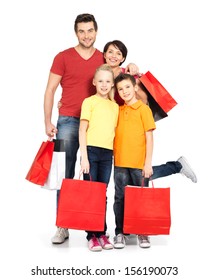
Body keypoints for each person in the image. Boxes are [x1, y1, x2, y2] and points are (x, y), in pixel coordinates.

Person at [44, 14, 139, 245]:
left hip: (97, 127)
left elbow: (121, 76)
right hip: (67, 121)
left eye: (90, 30)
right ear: (76, 33)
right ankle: (62, 225)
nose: (86, 35)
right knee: (64, 176)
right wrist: (48, 121)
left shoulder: (103, 59)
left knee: (97, 180)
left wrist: (133, 67)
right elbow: (50, 90)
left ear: (96, 32)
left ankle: (98, 229)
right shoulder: (62, 57)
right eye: (81, 31)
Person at [113, 73, 156, 249]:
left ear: (135, 87)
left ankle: (142, 232)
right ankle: (120, 232)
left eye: (128, 87)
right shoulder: (118, 110)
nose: (124, 91)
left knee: (140, 198)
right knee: (120, 198)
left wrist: (148, 163)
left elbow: (149, 138)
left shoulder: (144, 109)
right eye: (120, 89)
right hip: (120, 163)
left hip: (139, 163)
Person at [79, 64, 119, 252]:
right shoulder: (89, 102)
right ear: (94, 82)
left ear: (112, 84)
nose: (104, 85)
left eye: (108, 81)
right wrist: (84, 157)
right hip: (92, 153)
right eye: (100, 81)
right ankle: (91, 236)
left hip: (107, 154)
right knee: (91, 194)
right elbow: (82, 130)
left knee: (102, 194)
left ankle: (101, 232)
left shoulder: (114, 106)